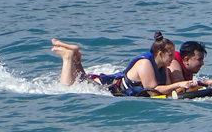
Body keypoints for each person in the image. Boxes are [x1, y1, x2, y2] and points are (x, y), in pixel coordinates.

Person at [51, 32, 202, 96]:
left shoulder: (164, 68)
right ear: (160, 54)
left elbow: (167, 90)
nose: (173, 58)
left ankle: (76, 55)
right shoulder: (145, 64)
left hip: (110, 83)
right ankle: (68, 57)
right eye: (170, 55)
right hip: (106, 86)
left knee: (81, 78)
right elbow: (153, 90)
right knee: (67, 88)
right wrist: (178, 85)